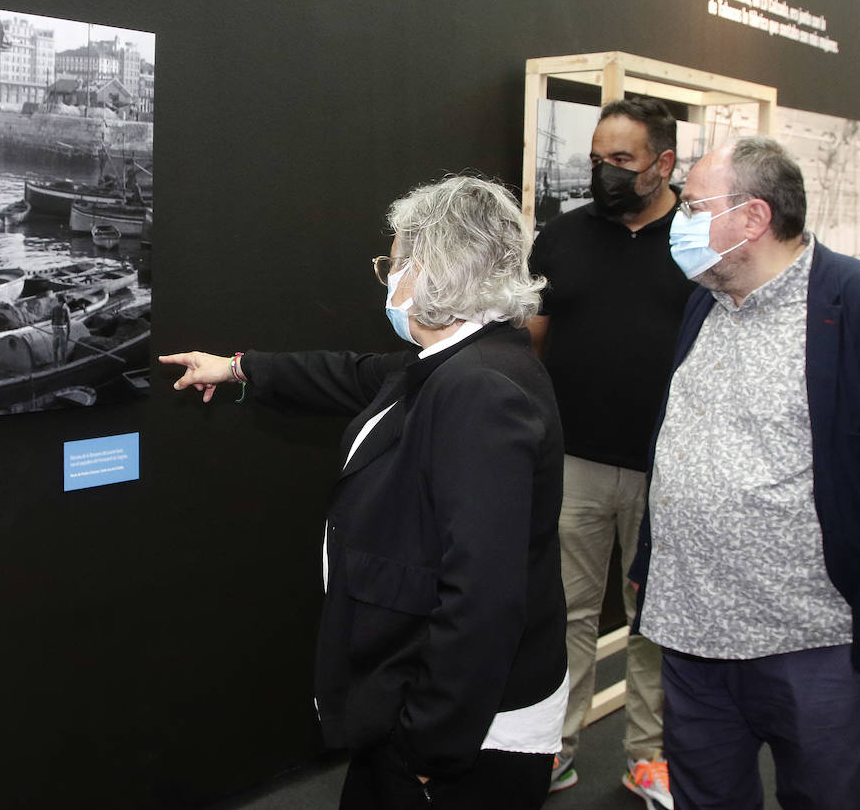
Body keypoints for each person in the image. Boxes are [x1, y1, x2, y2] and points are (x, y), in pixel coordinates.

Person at [161, 176, 568, 809]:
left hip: (462, 734)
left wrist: (429, 746)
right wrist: (238, 368)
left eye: (398, 259)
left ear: (441, 269)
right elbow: (349, 375)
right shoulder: (457, 361)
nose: (388, 275)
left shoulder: (482, 389)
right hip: (420, 706)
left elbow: (484, 596)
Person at [630, 136, 860, 810]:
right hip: (692, 635)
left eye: (695, 206)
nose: (679, 222)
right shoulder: (706, 299)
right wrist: (648, 556)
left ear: (753, 218)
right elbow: (682, 443)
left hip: (818, 646)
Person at [527, 96, 690, 806]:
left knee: (655, 615)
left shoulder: (701, 239)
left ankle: (646, 756)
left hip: (670, 468)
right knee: (567, 612)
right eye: (596, 160)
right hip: (577, 463)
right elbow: (530, 341)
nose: (605, 174)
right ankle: (555, 748)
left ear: (664, 163)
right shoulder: (562, 238)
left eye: (621, 161)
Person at [51, 297, 71, 361]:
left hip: (60, 329)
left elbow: (68, 321)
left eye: (64, 303)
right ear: (60, 302)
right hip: (58, 329)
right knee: (56, 348)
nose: (62, 304)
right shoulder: (56, 309)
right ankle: (57, 364)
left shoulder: (65, 309)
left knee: (61, 349)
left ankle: (62, 364)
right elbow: (52, 320)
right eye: (62, 303)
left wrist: (68, 333)